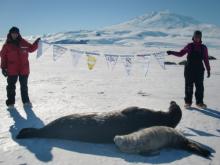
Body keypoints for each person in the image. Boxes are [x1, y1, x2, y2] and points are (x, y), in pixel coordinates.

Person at [167, 30, 210, 109]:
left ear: (200, 38)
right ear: (193, 37)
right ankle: (188, 102)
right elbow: (180, 54)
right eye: (196, 37)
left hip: (199, 70)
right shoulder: (189, 46)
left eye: (199, 37)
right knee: (188, 87)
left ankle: (199, 103)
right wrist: (171, 52)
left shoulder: (203, 48)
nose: (197, 38)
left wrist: (208, 69)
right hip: (189, 70)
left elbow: (206, 59)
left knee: (200, 87)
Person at [0, 26, 40, 109]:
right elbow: (3, 57)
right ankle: (11, 103)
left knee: (24, 86)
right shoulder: (6, 45)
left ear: (18, 34)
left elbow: (31, 49)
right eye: (13, 33)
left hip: (24, 69)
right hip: (11, 69)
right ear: (10, 34)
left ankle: (26, 101)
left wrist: (37, 42)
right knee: (11, 87)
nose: (14, 35)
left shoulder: (23, 42)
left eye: (16, 33)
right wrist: (3, 68)